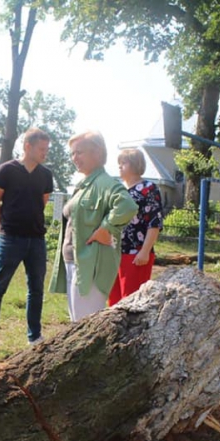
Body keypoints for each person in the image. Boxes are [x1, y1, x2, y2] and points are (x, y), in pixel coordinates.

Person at [0, 128, 54, 353]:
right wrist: (4, 223)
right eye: (41, 149)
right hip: (10, 238)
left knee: (36, 288)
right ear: (27, 146)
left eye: (47, 150)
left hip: (36, 240)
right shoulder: (6, 170)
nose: (44, 153)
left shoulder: (46, 175)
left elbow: (42, 202)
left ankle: (35, 336)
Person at [49, 131, 137, 321]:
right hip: (74, 261)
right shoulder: (84, 185)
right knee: (77, 323)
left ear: (97, 153)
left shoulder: (105, 183)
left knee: (84, 324)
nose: (74, 158)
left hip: (91, 265)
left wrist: (107, 228)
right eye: (72, 153)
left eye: (79, 152)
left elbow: (127, 206)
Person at [108, 148, 164, 306]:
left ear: (135, 164)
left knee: (131, 301)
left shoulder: (149, 189)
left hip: (136, 253)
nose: (119, 166)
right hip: (114, 252)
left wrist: (145, 251)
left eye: (123, 162)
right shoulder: (118, 190)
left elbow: (155, 222)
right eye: (119, 162)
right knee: (114, 302)